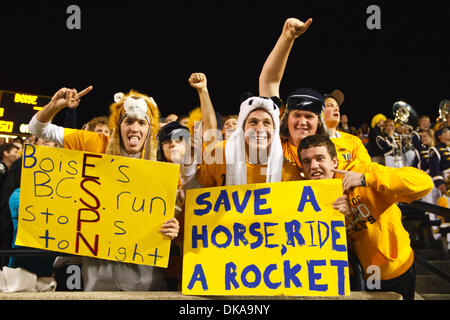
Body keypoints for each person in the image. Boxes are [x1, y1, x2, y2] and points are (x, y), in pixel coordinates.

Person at [28, 86, 180, 291]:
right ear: (118, 125)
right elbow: (38, 129)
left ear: (149, 129)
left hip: (146, 282)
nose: (135, 128)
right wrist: (54, 106)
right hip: (98, 281)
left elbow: (174, 215)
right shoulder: (95, 144)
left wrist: (173, 227)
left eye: (141, 122)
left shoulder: (163, 163)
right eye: (129, 121)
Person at [297, 134, 433, 300]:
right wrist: (345, 216)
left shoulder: (363, 171)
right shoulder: (308, 195)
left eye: (320, 158)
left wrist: (366, 179)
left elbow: (424, 182)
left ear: (334, 161)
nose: (314, 166)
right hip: (359, 275)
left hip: (394, 270)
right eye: (307, 161)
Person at [258, 17, 369, 172]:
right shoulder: (277, 143)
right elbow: (269, 81)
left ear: (319, 122)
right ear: (285, 119)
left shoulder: (334, 154)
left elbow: (366, 177)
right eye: (297, 115)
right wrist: (287, 38)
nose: (302, 122)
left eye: (309, 116)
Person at [187, 96, 301, 188]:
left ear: (275, 130)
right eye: (253, 122)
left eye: (267, 123)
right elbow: (194, 193)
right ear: (242, 128)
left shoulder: (289, 169)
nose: (260, 129)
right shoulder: (221, 152)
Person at [323, 89, 371, 169]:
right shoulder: (311, 142)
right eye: (330, 105)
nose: (336, 109)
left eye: (337, 106)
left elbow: (366, 168)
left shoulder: (354, 141)